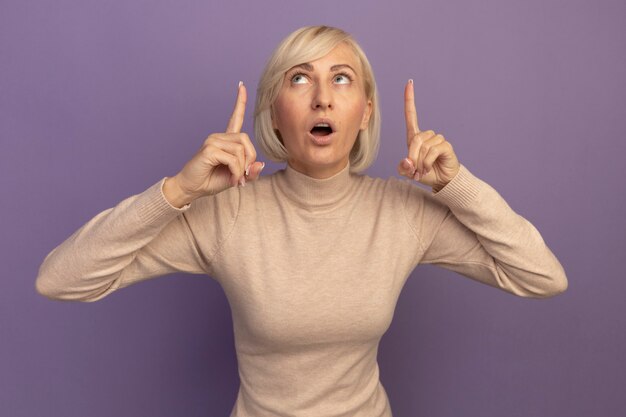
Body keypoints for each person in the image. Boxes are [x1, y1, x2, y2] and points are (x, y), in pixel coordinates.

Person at [36, 25, 567, 417]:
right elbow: (60, 280)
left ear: (365, 112)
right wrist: (178, 191)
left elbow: (541, 276)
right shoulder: (227, 214)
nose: (322, 97)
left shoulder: (401, 213)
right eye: (299, 79)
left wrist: (457, 185)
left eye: (341, 79)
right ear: (273, 111)